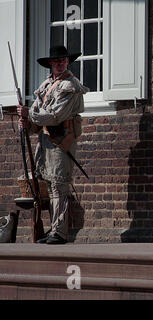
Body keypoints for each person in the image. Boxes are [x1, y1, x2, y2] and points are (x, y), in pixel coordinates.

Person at [17, 45, 88, 244]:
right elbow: (38, 116)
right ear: (50, 63)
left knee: (59, 184)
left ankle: (60, 233)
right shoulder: (47, 85)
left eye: (63, 60)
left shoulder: (71, 85)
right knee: (49, 185)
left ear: (67, 61)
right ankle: (54, 230)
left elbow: (56, 116)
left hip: (62, 139)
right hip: (47, 139)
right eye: (56, 61)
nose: (60, 63)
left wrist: (29, 115)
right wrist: (27, 121)